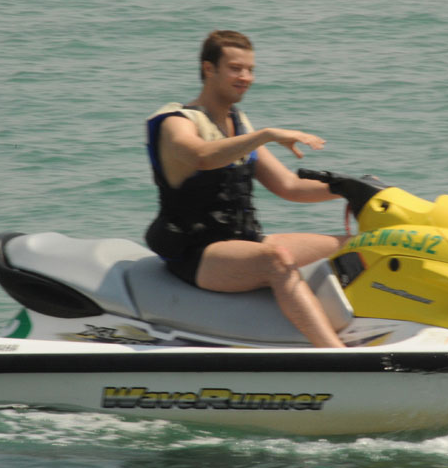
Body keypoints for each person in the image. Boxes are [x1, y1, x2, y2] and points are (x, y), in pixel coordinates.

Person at [145, 30, 347, 348]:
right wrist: (265, 135)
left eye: (250, 69)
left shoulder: (238, 123)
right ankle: (338, 357)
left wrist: (351, 188)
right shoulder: (175, 121)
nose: (246, 77)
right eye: (236, 68)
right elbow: (200, 156)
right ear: (208, 69)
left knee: (356, 245)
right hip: (199, 254)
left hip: (244, 242)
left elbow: (290, 186)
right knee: (275, 261)